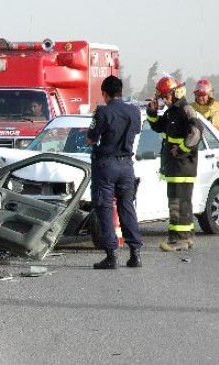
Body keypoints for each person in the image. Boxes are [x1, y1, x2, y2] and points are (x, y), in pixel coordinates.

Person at [86, 75, 143, 269]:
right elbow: (136, 132)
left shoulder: (102, 112)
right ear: (121, 91)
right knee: (127, 207)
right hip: (127, 165)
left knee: (104, 208)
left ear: (104, 93)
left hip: (106, 165)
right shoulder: (134, 111)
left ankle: (111, 255)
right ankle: (135, 254)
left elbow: (91, 139)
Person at [147, 76, 203, 252]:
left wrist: (179, 150)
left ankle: (179, 240)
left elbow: (194, 135)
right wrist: (152, 113)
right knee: (178, 202)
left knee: (179, 203)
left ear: (176, 92)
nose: (165, 99)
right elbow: (158, 127)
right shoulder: (171, 111)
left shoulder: (186, 110)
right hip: (174, 167)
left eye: (166, 95)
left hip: (183, 166)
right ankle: (185, 237)